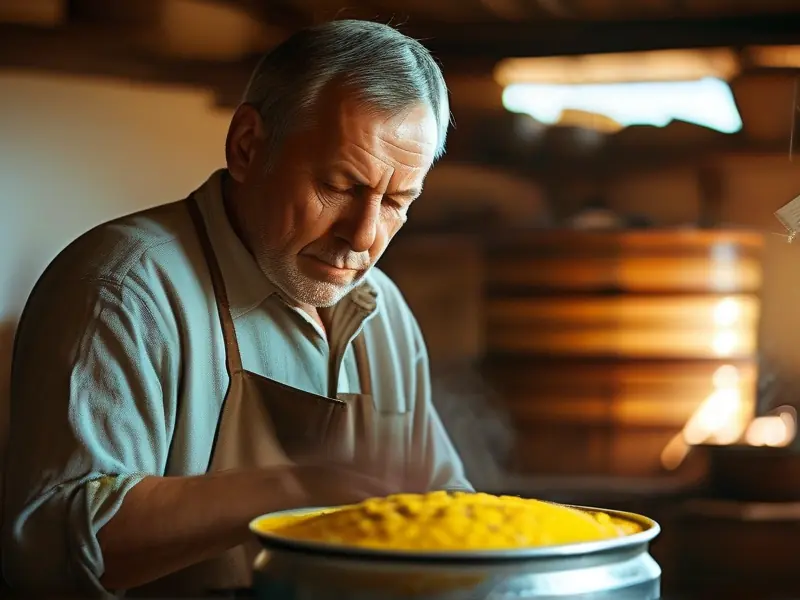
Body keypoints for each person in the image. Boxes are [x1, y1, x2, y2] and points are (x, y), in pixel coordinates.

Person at [2, 19, 472, 597]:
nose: (363, 236)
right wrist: (297, 488)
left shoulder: (384, 312)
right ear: (248, 146)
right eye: (340, 186)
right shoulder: (123, 289)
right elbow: (52, 551)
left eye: (397, 202)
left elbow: (446, 506)